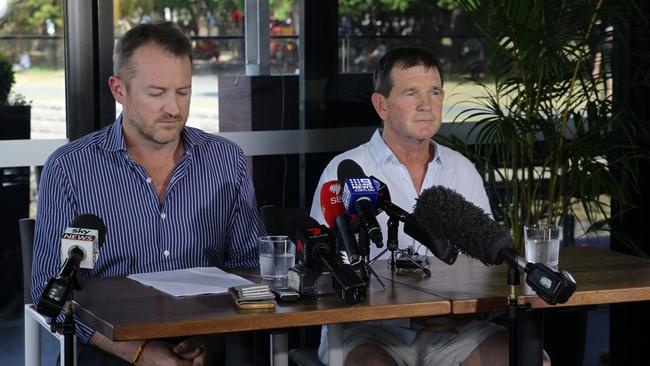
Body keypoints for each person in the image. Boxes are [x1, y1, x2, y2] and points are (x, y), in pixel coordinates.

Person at [31, 22, 266, 365]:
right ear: (119, 90)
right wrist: (139, 352)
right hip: (111, 345)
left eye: (183, 92)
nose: (173, 108)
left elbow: (249, 267)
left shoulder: (226, 160)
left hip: (207, 338)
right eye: (157, 93)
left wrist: (214, 340)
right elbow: (48, 290)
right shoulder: (70, 169)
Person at [311, 47, 550, 365]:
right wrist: (411, 311)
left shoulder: (461, 169)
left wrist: (454, 312)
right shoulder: (345, 170)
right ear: (381, 105)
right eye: (411, 92)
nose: (426, 105)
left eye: (434, 92)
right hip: (368, 330)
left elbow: (486, 265)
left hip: (455, 330)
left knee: (532, 359)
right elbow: (323, 273)